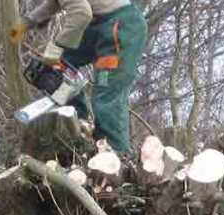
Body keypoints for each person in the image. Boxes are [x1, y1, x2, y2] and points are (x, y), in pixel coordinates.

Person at [10, 0, 147, 157]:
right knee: (61, 63)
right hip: (99, 23)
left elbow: (81, 13)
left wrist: (57, 46)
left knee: (106, 95)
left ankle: (116, 153)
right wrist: (29, 21)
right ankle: (79, 120)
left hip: (121, 26)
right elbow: (56, 2)